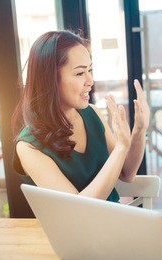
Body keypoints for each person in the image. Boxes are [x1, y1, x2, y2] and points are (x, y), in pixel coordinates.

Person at [11, 30, 150, 202]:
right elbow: (79, 208)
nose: (90, 81)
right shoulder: (28, 146)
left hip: (114, 222)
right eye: (79, 73)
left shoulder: (92, 114)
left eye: (90, 70)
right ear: (50, 79)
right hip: (72, 229)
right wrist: (121, 146)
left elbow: (126, 173)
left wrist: (139, 130)